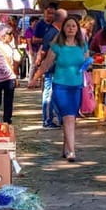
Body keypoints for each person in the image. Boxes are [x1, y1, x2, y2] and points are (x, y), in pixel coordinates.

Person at [29, 16, 88, 161]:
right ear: (63, 28)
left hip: (76, 86)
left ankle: (65, 148)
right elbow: (46, 64)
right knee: (69, 118)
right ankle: (72, 151)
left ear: (77, 29)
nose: (71, 29)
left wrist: (87, 65)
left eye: (74, 26)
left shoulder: (82, 45)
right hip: (61, 86)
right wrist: (35, 78)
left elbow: (86, 62)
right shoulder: (57, 45)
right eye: (68, 26)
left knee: (70, 118)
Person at [35, 8, 66, 128]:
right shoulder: (52, 33)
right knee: (49, 93)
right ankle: (47, 119)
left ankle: (58, 117)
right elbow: (44, 51)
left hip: (57, 69)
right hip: (52, 69)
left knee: (55, 94)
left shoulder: (55, 32)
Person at [0, 25, 21, 123]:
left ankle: (7, 119)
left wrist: (15, 46)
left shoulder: (10, 46)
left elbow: (16, 60)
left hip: (9, 77)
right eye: (10, 34)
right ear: (3, 35)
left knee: (9, 100)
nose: (11, 36)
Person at [24, 16, 39, 82]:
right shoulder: (28, 30)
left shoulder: (37, 30)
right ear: (31, 22)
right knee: (33, 65)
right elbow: (29, 41)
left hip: (37, 49)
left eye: (37, 22)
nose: (36, 23)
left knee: (36, 65)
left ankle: (34, 80)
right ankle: (30, 81)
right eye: (35, 21)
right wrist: (31, 50)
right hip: (31, 49)